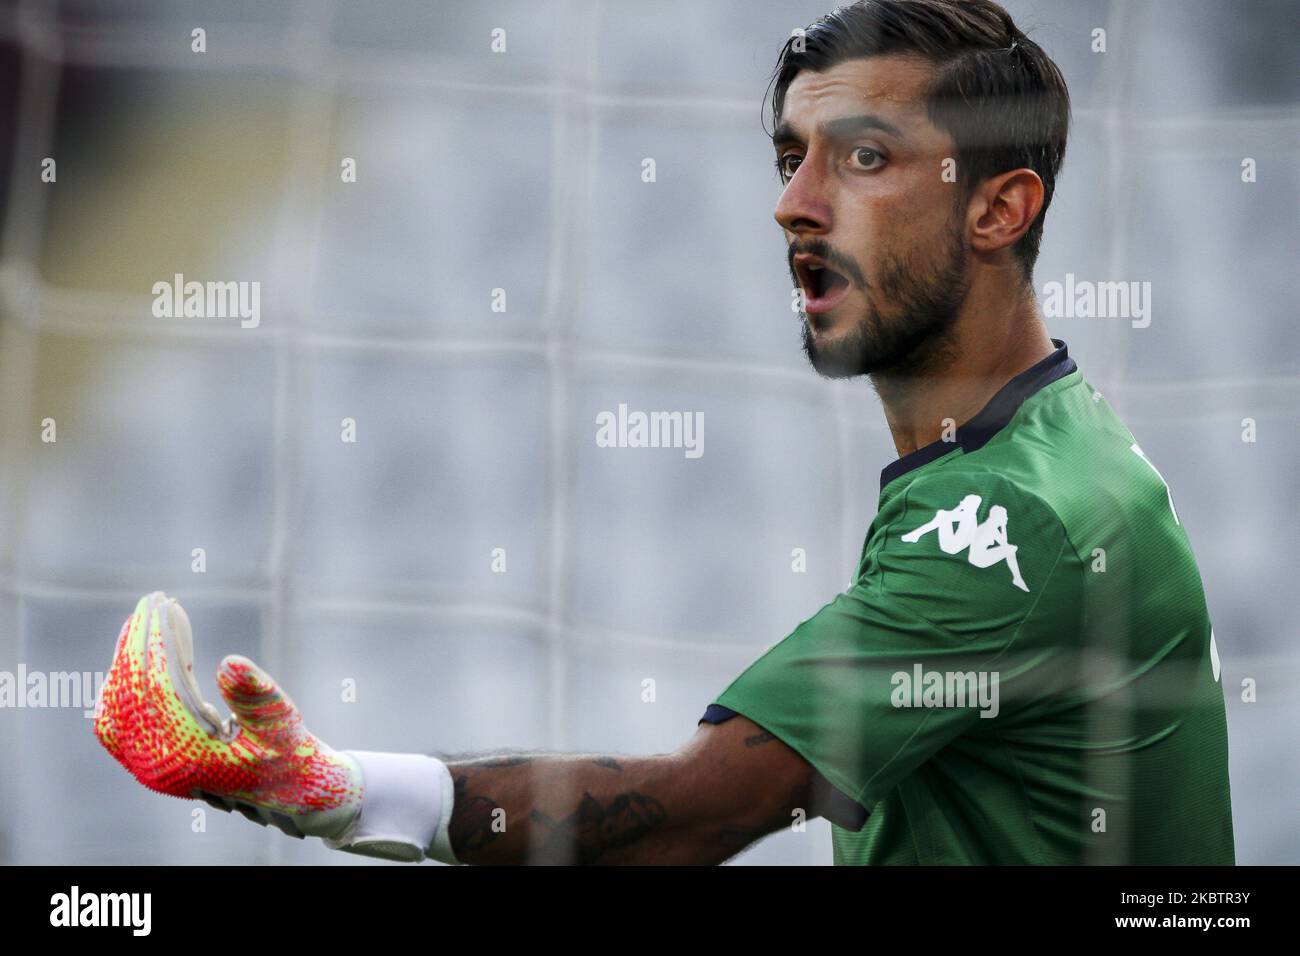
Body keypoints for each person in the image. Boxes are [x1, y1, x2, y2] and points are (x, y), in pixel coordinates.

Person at [94, 0, 1234, 865]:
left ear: (1000, 207)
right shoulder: (1036, 448)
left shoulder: (1017, 517)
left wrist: (331, 787)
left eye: (865, 157)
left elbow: (694, 813)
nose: (794, 199)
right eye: (793, 155)